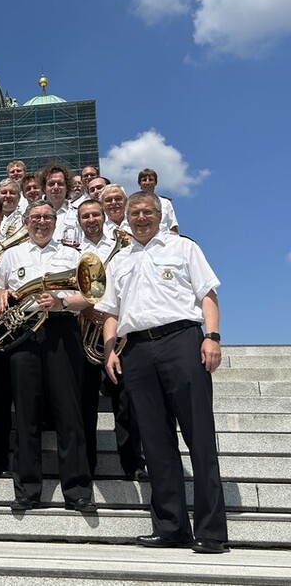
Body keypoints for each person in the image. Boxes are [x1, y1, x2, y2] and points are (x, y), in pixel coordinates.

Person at [99, 191, 226, 554]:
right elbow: (110, 311)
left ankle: (212, 531)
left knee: (199, 438)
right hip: (136, 349)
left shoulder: (183, 247)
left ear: (159, 215)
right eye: (134, 213)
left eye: (147, 212)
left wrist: (212, 337)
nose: (141, 218)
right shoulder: (119, 259)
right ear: (125, 218)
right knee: (156, 443)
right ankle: (171, 527)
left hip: (182, 340)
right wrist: (110, 349)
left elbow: (207, 294)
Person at [0, 201, 96, 513]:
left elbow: (89, 296)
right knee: (25, 415)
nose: (41, 222)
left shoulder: (72, 254)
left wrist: (61, 302)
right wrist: (1, 297)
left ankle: (77, 491)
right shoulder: (11, 255)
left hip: (61, 333)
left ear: (55, 222)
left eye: (47, 217)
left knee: (69, 413)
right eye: (35, 217)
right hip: (23, 335)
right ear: (25, 221)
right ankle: (27, 490)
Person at [76, 200, 146, 480]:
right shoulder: (72, 250)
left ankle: (133, 463)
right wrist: (87, 306)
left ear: (104, 216)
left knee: (126, 402)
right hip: (84, 333)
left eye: (95, 214)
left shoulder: (124, 246)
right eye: (85, 216)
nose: (91, 219)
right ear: (79, 220)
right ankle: (87, 465)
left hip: (119, 334)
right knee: (84, 405)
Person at [41, 163, 78, 246]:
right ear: (44, 188)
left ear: (67, 187)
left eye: (60, 184)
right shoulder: (33, 214)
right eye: (51, 184)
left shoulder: (77, 214)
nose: (56, 187)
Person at [137, 168, 179, 234]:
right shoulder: (132, 204)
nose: (147, 182)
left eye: (150, 180)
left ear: (155, 183)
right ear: (140, 184)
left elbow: (173, 228)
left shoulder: (165, 203)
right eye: (144, 180)